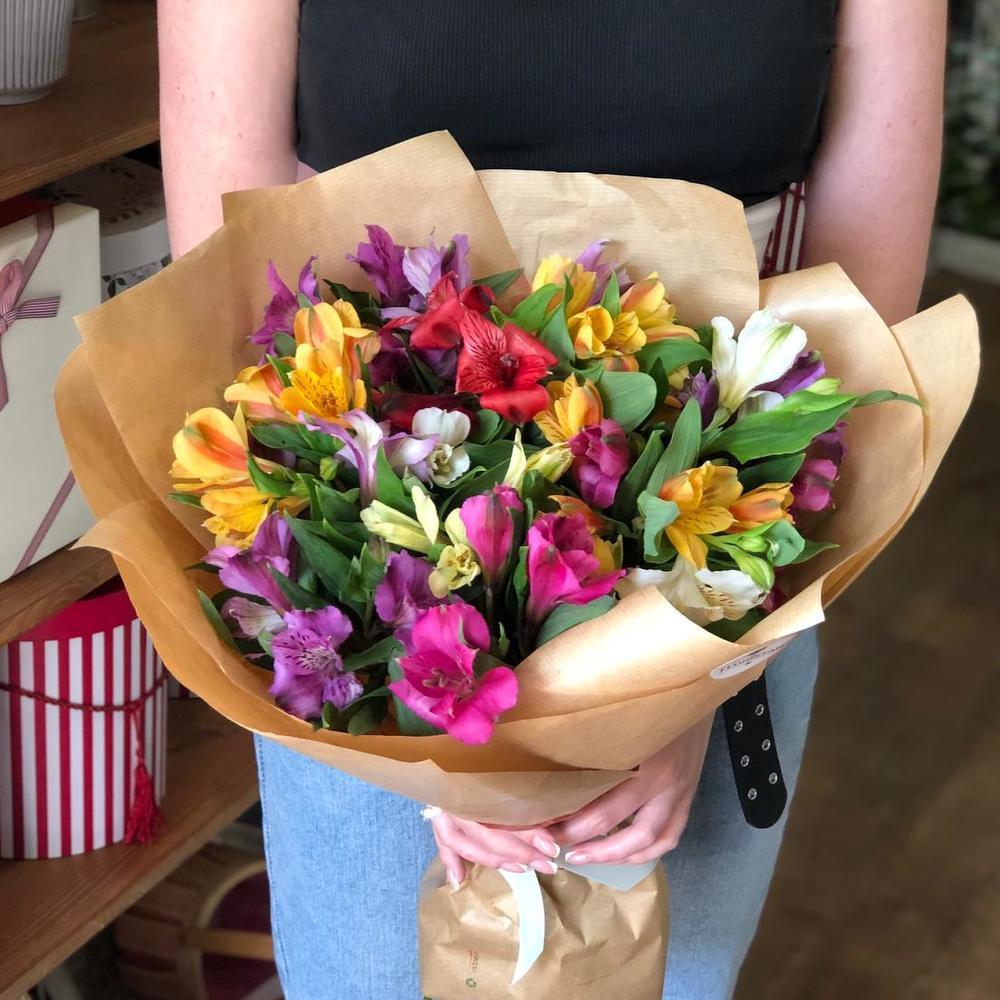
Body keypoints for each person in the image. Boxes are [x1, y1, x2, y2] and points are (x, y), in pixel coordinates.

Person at [159, 2, 945, 996]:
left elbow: (863, 317)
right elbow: (225, 275)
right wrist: (418, 713)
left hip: (722, 573)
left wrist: (681, 677)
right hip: (365, 609)